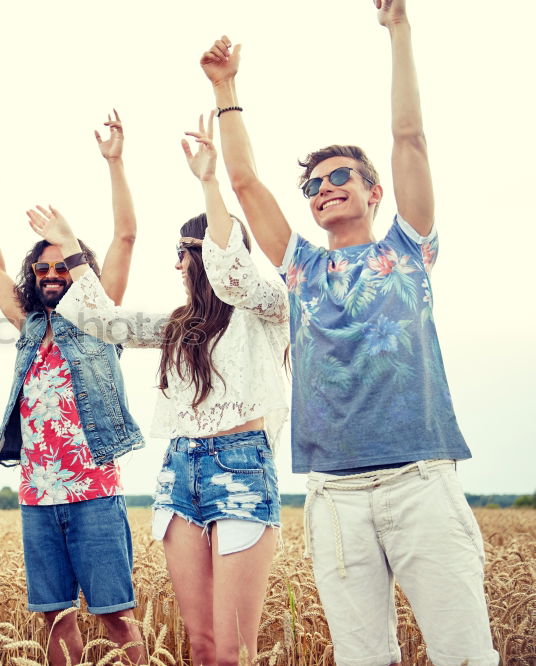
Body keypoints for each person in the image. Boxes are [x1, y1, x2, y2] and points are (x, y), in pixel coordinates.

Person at [198, 1, 498, 664]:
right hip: (333, 494)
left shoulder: (409, 249)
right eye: (313, 183)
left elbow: (409, 136)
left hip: (420, 479)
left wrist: (399, 30)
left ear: (374, 192)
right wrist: (226, 90)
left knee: (465, 654)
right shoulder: (302, 267)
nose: (325, 187)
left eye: (341, 177)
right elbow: (244, 182)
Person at [29, 112, 288, 665]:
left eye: (184, 252)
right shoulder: (178, 325)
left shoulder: (265, 309)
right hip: (178, 470)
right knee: (199, 647)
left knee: (231, 653)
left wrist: (210, 182)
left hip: (240, 465)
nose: (177, 263)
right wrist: (72, 248)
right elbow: (104, 321)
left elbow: (233, 267)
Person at [0, 111, 144, 666]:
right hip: (38, 496)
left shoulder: (98, 313)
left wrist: (115, 164)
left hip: (93, 493)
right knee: (55, 617)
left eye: (62, 263)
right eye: (42, 266)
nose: (52, 272)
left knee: (115, 616)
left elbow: (126, 236)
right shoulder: (29, 324)